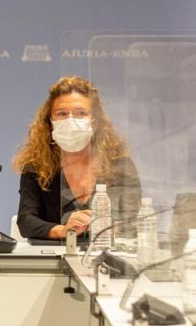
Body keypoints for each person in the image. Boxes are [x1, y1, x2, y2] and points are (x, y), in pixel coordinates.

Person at [13, 76, 142, 241]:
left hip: (109, 258)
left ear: (94, 121)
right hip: (54, 261)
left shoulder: (120, 165)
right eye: (62, 114)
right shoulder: (37, 167)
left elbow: (135, 221)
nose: (71, 120)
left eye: (81, 113)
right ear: (50, 122)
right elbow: (26, 221)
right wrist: (63, 230)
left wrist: (112, 228)